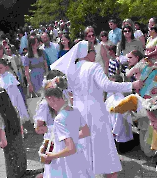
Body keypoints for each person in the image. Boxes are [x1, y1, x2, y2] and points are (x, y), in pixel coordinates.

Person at [51, 41, 143, 177]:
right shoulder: (93, 67)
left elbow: (69, 91)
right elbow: (106, 85)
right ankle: (107, 171)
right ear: (88, 53)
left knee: (84, 145)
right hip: (95, 111)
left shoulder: (72, 69)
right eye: (94, 51)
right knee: (102, 145)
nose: (96, 53)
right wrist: (131, 85)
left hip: (78, 110)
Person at [41, 84, 93, 177]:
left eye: (49, 103)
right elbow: (86, 132)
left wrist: (52, 156)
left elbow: (70, 148)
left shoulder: (59, 118)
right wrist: (73, 138)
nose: (51, 107)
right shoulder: (75, 110)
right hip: (78, 157)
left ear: (52, 99)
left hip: (65, 161)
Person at [0, 88, 27, 178]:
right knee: (22, 172)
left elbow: (4, 143)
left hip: (11, 152)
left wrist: (0, 144)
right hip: (20, 146)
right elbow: (21, 129)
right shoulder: (14, 109)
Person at [0, 58, 29, 123]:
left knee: (17, 115)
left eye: (1, 68)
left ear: (5, 67)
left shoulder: (9, 77)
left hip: (12, 99)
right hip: (6, 101)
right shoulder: (1, 77)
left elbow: (13, 93)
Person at [104, 75, 133, 153]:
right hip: (113, 130)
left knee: (121, 149)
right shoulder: (111, 98)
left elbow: (119, 120)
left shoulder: (120, 101)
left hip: (118, 132)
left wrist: (114, 132)